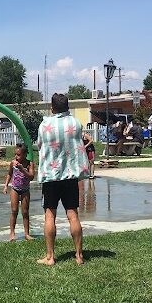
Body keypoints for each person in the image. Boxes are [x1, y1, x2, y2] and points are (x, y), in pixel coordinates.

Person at [36, 93, 87, 266]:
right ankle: (79, 255)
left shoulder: (45, 125)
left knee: (50, 216)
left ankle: (50, 257)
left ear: (52, 108)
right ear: (68, 107)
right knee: (73, 215)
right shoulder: (75, 123)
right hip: (70, 175)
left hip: (51, 176)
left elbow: (39, 145)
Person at [3, 144, 35, 242]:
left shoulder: (30, 164)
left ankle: (27, 234)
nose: (16, 157)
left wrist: (22, 169)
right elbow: (9, 174)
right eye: (15, 154)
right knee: (14, 210)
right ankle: (12, 233)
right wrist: (6, 185)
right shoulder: (13, 163)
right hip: (15, 189)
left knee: (25, 212)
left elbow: (31, 177)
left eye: (19, 155)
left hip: (25, 190)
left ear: (25, 155)